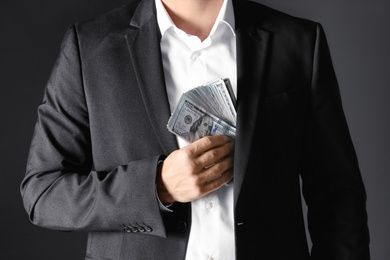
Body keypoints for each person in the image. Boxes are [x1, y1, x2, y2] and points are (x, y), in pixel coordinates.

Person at [21, 0, 370, 259]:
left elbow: (338, 199)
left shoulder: (298, 42)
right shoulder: (90, 47)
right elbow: (42, 193)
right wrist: (156, 185)